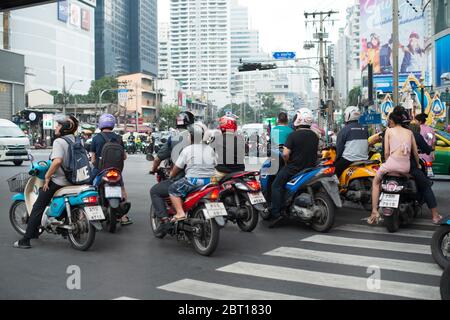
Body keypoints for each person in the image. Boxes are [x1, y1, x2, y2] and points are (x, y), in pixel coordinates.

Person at [14, 115, 80, 249]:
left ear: (64, 129)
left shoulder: (59, 142)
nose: (56, 127)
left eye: (58, 125)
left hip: (60, 181)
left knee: (38, 206)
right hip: (76, 180)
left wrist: (48, 177)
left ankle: (26, 240)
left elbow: (57, 161)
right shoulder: (77, 140)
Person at [368, 107, 421, 225]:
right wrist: (417, 165)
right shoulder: (410, 132)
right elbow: (415, 153)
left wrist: (388, 163)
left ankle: (374, 211)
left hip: (390, 165)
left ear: (391, 121)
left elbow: (386, 152)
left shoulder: (389, 131)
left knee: (376, 182)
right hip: (405, 167)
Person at [269, 108, 319, 228]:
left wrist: (286, 162)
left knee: (276, 185)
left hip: (294, 168)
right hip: (311, 168)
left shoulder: (293, 135)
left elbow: (285, 154)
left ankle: (277, 213)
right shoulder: (315, 136)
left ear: (298, 120)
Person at [149, 111, 195, 227]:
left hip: (184, 179)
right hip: (206, 179)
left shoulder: (174, 139)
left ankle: (165, 221)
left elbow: (158, 158)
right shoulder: (201, 138)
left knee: (155, 191)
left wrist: (154, 169)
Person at [168, 123, 216, 222]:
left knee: (173, 189)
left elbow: (177, 168)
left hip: (193, 182)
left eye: (189, 135)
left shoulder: (187, 150)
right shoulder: (210, 149)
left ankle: (180, 213)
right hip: (210, 182)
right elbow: (215, 164)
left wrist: (171, 175)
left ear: (191, 136)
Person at [90, 114, 132, 226]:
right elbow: (124, 157)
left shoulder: (96, 138)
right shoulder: (118, 138)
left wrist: (97, 165)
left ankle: (87, 214)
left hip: (100, 170)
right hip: (116, 170)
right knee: (122, 188)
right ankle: (123, 217)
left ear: (100, 124)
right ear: (112, 124)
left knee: (88, 187)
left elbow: (93, 159)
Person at [335, 106, 369, 179]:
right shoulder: (365, 129)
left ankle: (339, 187)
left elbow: (339, 149)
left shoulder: (344, 130)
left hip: (349, 160)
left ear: (347, 115)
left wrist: (337, 158)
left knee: (334, 171)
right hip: (364, 159)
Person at [213, 115, 246, 180]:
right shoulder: (240, 139)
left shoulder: (218, 138)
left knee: (212, 187)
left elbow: (210, 152)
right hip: (239, 171)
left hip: (222, 172)